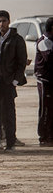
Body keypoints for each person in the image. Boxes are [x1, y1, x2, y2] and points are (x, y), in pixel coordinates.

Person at [0, 10, 27, 152]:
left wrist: (15, 80)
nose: (1, 24)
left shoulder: (16, 39)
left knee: (9, 113)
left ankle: (11, 143)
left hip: (8, 81)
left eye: (4, 21)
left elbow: (22, 61)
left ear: (9, 21)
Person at [35, 17, 53, 147]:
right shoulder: (44, 42)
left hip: (51, 80)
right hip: (44, 81)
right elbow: (50, 60)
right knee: (45, 109)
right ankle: (43, 136)